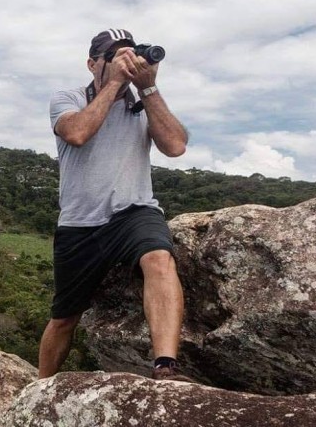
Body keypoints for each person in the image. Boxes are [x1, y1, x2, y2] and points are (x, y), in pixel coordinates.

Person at [38, 28, 193, 382]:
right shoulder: (68, 97)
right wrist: (112, 86)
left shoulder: (143, 103)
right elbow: (77, 133)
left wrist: (148, 88)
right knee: (64, 317)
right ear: (93, 64)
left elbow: (175, 146)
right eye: (115, 56)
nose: (126, 62)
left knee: (158, 258)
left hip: (133, 210)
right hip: (80, 223)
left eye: (130, 54)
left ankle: (165, 367)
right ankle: (39, 387)